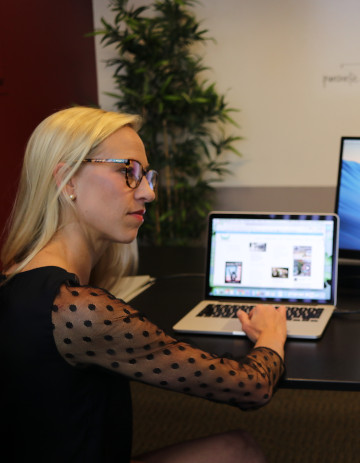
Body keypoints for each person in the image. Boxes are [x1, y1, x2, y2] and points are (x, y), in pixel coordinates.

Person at [0, 106, 288, 463]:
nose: (149, 193)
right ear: (68, 181)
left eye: (147, 176)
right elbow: (252, 387)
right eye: (127, 172)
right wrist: (272, 335)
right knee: (241, 451)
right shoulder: (76, 310)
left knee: (238, 447)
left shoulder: (16, 277)